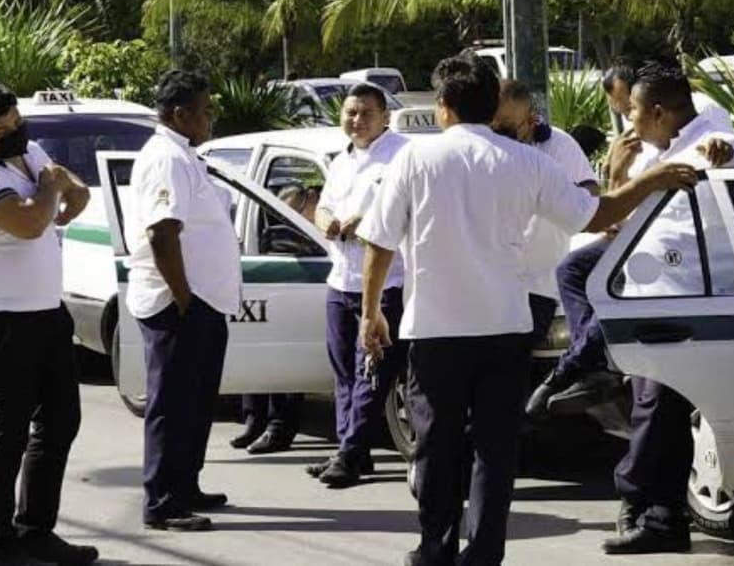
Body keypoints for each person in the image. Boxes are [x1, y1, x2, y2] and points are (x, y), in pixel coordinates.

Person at [356, 52, 699, 566]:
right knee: (495, 450)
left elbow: (378, 244)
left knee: (436, 446)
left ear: (444, 106)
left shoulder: (412, 159)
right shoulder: (527, 161)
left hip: (435, 329)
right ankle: (485, 552)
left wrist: (370, 313)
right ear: (493, 104)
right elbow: (594, 214)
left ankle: (436, 549)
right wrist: (651, 180)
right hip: (506, 326)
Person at [0, 80, 97, 566]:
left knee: (59, 424)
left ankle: (36, 531)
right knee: (6, 434)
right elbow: (30, 224)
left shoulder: (25, 150)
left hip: (47, 311)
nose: (14, 134)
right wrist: (51, 188)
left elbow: (77, 194)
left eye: (16, 123)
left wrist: (59, 194)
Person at [603, 61, 734, 555]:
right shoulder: (657, 152)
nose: (630, 123)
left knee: (658, 409)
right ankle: (653, 511)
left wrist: (723, 153)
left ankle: (651, 509)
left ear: (660, 112)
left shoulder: (709, 142)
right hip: (644, 298)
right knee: (654, 408)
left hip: (682, 301)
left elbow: (731, 154)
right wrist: (619, 172)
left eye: (636, 113)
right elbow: (611, 222)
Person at [126, 70, 240, 532]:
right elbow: (162, 232)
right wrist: (184, 298)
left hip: (203, 302)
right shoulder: (166, 158)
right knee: (172, 405)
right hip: (179, 306)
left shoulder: (184, 155)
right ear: (180, 114)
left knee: (195, 401)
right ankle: (162, 501)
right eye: (206, 109)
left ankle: (185, 484)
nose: (211, 117)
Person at [305, 83, 409, 489]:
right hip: (341, 278)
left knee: (372, 371)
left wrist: (361, 222)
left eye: (366, 112)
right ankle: (350, 449)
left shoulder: (403, 155)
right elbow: (324, 206)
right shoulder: (341, 160)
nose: (356, 120)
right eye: (350, 112)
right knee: (343, 372)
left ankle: (349, 453)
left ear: (385, 116)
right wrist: (326, 220)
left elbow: (399, 211)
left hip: (387, 281)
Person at [491, 79, 599, 361]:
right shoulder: (483, 150)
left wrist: (555, 198)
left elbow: (591, 193)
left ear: (531, 120)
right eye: (496, 126)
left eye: (510, 127)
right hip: (490, 284)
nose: (504, 136)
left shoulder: (559, 144)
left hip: (537, 285)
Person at [230, 183, 315, 454]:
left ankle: (279, 426)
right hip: (264, 282)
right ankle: (256, 419)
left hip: (307, 288)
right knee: (261, 355)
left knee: (285, 361)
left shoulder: (326, 209)